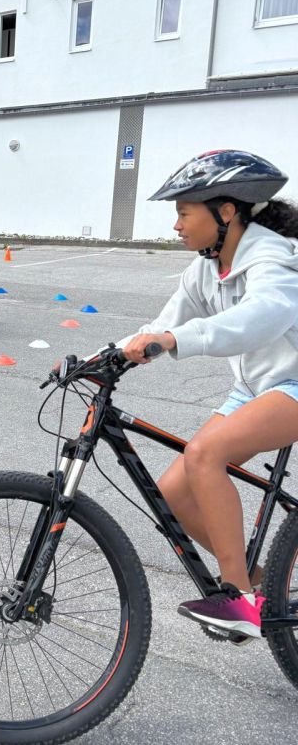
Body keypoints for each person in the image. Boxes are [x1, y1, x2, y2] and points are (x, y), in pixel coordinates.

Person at [118, 150, 298, 640]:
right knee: (173, 495)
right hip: (255, 388)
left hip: (294, 384)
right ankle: (260, 583)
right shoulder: (205, 267)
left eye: (183, 212)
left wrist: (177, 340)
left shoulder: (272, 256)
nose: (176, 225)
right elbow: (161, 324)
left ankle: (238, 600)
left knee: (205, 454)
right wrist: (100, 357)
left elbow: (263, 316)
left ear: (226, 212)